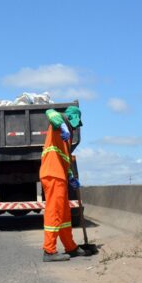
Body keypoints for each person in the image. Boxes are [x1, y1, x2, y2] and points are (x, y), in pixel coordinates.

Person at [40, 106, 91, 262]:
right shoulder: (59, 123)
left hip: (60, 175)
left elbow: (65, 160)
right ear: (72, 118)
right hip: (52, 173)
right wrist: (62, 124)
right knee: (54, 212)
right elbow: (49, 112)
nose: (75, 127)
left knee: (64, 214)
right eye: (75, 122)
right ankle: (49, 251)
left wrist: (70, 177)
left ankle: (71, 247)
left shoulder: (67, 139)